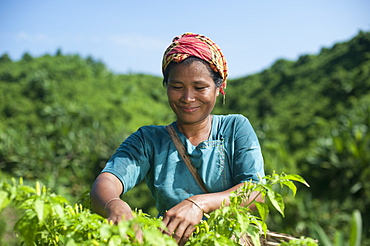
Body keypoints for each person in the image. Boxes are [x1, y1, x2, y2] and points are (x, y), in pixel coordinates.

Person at [90, 33, 265, 245]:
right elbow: (108, 179)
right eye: (177, 87)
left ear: (218, 89)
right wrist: (113, 204)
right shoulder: (149, 140)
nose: (188, 98)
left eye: (200, 87)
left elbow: (255, 191)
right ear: (166, 86)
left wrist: (198, 204)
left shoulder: (235, 128)